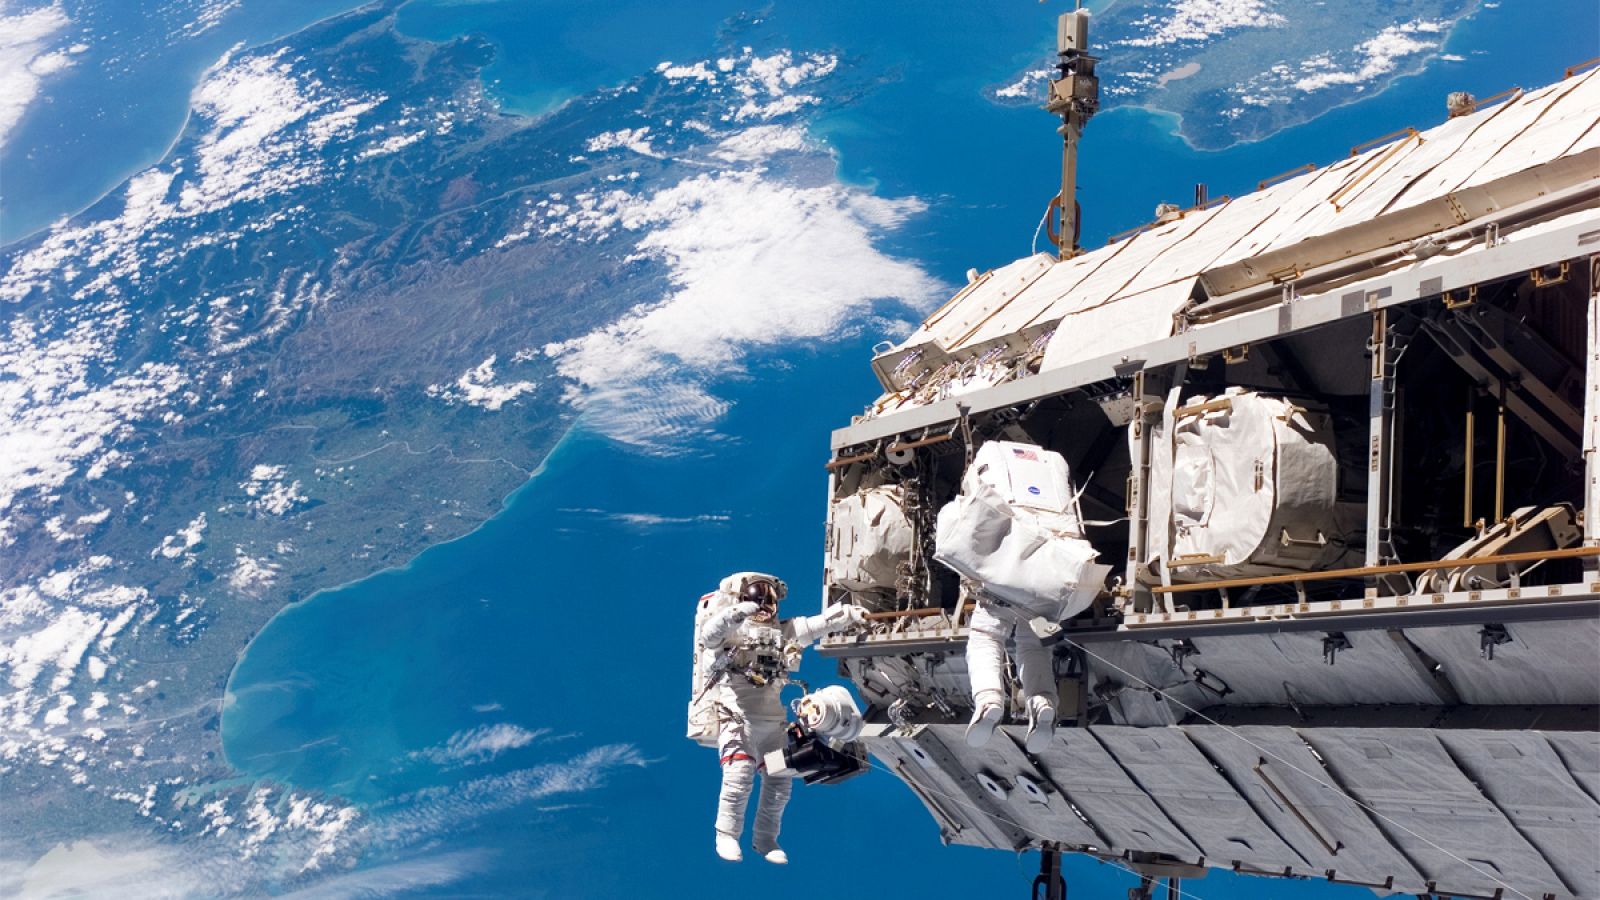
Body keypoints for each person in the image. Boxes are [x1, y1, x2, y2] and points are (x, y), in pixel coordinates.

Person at [695, 573, 866, 864]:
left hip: (773, 726)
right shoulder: (730, 634)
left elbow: (815, 625)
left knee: (779, 784)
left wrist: (848, 614)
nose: (763, 604)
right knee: (739, 779)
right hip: (740, 722)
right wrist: (736, 614)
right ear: (742, 599)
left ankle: (765, 840)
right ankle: (726, 836)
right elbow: (709, 636)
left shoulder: (781, 633)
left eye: (769, 599)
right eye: (756, 597)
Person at [964, 592, 1056, 753]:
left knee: (986, 637)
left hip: (1007, 582)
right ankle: (1041, 702)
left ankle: (989, 701)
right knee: (1036, 646)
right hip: (1055, 590)